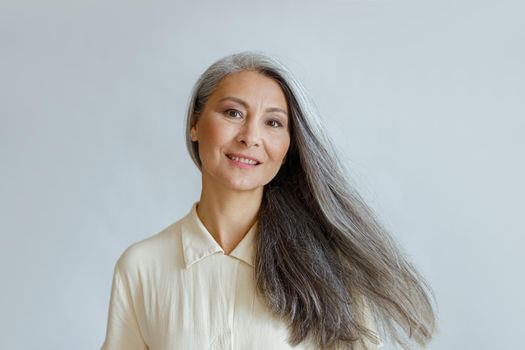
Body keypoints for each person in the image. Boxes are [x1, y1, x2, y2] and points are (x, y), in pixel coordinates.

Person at [101, 51, 437, 350]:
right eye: (233, 113)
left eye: (273, 122)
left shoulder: (330, 268)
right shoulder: (141, 267)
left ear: (289, 146)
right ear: (195, 124)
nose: (250, 136)